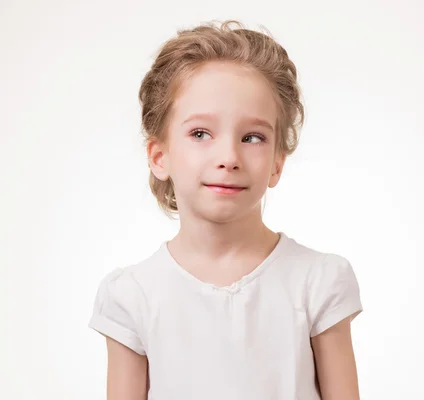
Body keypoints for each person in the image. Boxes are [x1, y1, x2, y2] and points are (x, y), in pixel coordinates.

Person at [88, 20, 363, 400]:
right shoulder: (133, 296)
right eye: (200, 134)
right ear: (159, 155)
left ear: (277, 163)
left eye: (253, 137)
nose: (229, 157)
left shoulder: (317, 282)